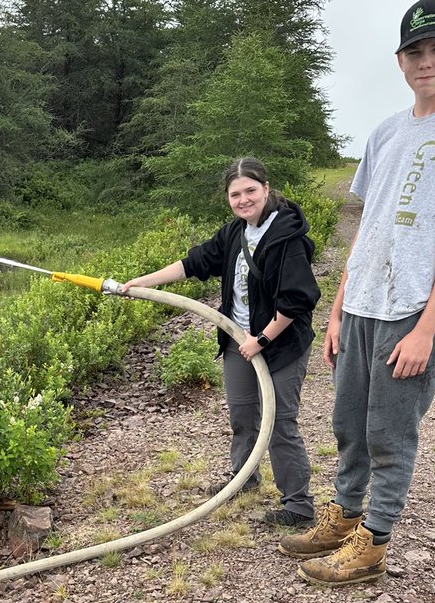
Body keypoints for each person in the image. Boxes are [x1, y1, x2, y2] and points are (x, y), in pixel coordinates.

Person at [279, 0, 435, 585]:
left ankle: (374, 541)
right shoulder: (386, 132)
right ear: (399, 60)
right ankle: (345, 515)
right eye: (414, 51)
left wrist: (424, 328)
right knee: (349, 426)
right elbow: (369, 226)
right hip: (362, 304)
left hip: (407, 308)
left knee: (390, 433)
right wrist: (338, 309)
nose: (425, 61)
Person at [122, 157, 320, 526]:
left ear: (265, 188)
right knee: (243, 416)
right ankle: (244, 479)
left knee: (278, 423)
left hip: (280, 343)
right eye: (235, 194)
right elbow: (192, 263)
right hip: (237, 341)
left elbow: (298, 299)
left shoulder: (288, 236)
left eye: (250, 191)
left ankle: (299, 506)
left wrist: (261, 339)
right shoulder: (234, 234)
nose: (243, 199)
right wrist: (141, 283)